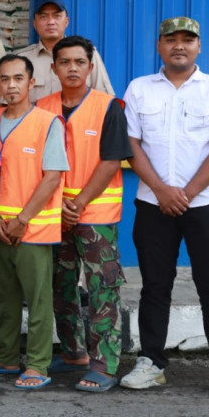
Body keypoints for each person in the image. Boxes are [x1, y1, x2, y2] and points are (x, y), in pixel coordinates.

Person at [120, 17, 209, 402]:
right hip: (152, 203)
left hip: (205, 205)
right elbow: (131, 145)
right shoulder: (140, 89)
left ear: (199, 47)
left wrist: (186, 193)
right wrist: (162, 191)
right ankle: (152, 363)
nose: (179, 46)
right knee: (154, 287)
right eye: (170, 39)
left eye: (187, 40)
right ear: (159, 46)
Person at [37, 36, 130, 393]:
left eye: (79, 62)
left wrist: (77, 205)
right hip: (52, 213)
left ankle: (104, 364)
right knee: (59, 285)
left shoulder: (109, 107)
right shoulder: (42, 108)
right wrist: (60, 206)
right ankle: (74, 352)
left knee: (102, 287)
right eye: (65, 62)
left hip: (96, 215)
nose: (72, 68)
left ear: (91, 67)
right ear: (54, 67)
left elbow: (111, 161)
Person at [0, 54, 67, 390]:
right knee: (2, 296)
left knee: (38, 298)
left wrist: (22, 219)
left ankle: (37, 364)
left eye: (18, 78)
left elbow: (52, 177)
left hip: (33, 227)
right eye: (5, 79)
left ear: (32, 83)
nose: (11, 85)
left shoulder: (48, 122)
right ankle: (5, 356)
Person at [18, 0, 115, 101]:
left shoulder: (87, 53)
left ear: (66, 22)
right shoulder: (22, 59)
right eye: (43, 17)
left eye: (57, 16)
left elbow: (105, 99)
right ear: (35, 24)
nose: (51, 22)